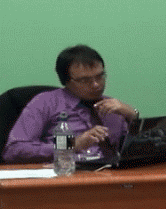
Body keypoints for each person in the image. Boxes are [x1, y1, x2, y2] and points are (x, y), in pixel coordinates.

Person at [2, 45, 140, 163]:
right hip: (65, 175)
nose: (96, 84)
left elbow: (133, 151)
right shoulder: (45, 102)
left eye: (100, 76)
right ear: (66, 81)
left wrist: (133, 116)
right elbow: (14, 150)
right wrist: (71, 144)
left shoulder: (113, 107)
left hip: (112, 176)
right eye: (85, 80)